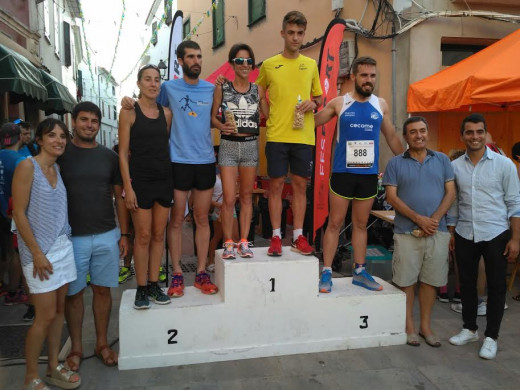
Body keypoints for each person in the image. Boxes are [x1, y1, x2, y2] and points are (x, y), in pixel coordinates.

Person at [122, 40, 218, 298]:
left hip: (206, 161)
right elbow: (150, 106)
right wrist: (128, 101)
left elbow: (215, 118)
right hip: (177, 162)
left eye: (199, 56)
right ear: (180, 61)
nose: (196, 61)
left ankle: (200, 272)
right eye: (190, 57)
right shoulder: (167, 88)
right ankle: (176, 273)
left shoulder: (211, 88)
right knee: (175, 221)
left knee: (201, 219)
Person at [314, 56, 403, 292]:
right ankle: (326, 273)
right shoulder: (339, 103)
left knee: (361, 224)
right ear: (354, 76)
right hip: (343, 173)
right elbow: (313, 122)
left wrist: (407, 158)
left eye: (373, 76)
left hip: (368, 175)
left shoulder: (380, 104)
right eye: (364, 75)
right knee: (334, 223)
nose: (369, 80)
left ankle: (360, 272)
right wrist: (300, 111)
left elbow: (391, 136)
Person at [59, 101, 130, 370]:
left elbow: (119, 198)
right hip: (71, 238)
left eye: (94, 121)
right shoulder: (61, 154)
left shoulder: (109, 158)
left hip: (106, 235)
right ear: (73, 122)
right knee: (73, 294)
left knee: (103, 291)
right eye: (84, 120)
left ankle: (102, 344)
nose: (89, 125)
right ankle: (76, 348)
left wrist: (124, 234)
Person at [13, 118, 81, 390]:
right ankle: (31, 376)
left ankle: (53, 367)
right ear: (39, 140)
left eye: (63, 136)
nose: (59, 140)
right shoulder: (27, 167)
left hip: (62, 248)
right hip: (39, 253)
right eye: (51, 135)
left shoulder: (57, 169)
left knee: (58, 312)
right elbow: (18, 213)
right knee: (43, 316)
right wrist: (37, 254)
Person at [447, 113, 520, 360]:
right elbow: (455, 203)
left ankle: (491, 337)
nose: (475, 136)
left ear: (486, 134)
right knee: (466, 284)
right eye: (470, 132)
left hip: (496, 233)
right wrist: (452, 232)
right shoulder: (455, 167)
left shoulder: (505, 164)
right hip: (466, 232)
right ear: (463, 136)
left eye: (479, 132)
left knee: (497, 287)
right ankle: (470, 328)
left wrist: (516, 238)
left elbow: (514, 203)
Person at [383, 116, 455, 347]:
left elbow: (451, 193)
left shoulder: (442, 160)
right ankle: (409, 327)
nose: (419, 135)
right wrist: (418, 219)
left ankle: (425, 326)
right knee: (406, 282)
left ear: (427, 133)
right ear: (405, 137)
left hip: (437, 231)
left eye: (422, 130)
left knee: (430, 282)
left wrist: (432, 221)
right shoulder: (395, 163)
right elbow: (391, 197)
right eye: (413, 132)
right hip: (406, 232)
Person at [255, 11, 323, 257]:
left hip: (303, 136)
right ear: (283, 33)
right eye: (291, 33)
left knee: (299, 187)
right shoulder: (269, 64)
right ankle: (275, 236)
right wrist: (266, 110)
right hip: (276, 134)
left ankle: (297, 236)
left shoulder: (311, 64)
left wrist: (312, 105)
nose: (296, 38)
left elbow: (319, 97)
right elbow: (259, 89)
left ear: (304, 35)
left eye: (300, 33)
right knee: (274, 186)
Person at [118, 64, 173, 309]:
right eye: (148, 79)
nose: (153, 83)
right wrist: (128, 189)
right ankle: (140, 287)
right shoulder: (129, 112)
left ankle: (153, 283)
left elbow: (165, 146)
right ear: (139, 84)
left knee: (159, 235)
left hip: (164, 179)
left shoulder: (167, 114)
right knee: (142, 235)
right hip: (140, 181)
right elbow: (122, 154)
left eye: (157, 79)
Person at [211, 43, 264, 259]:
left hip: (251, 144)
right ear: (232, 64)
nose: (244, 64)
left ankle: (244, 241)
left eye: (248, 61)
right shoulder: (221, 88)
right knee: (229, 198)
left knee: (247, 197)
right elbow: (212, 116)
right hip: (229, 145)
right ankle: (228, 243)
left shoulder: (258, 89)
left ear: (252, 64)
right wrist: (221, 125)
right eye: (240, 61)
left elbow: (267, 115)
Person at [0, 123, 28, 306]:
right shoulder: (19, 161)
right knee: (16, 254)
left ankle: (5, 285)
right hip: (11, 214)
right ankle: (14, 291)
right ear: (19, 137)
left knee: (4, 253)